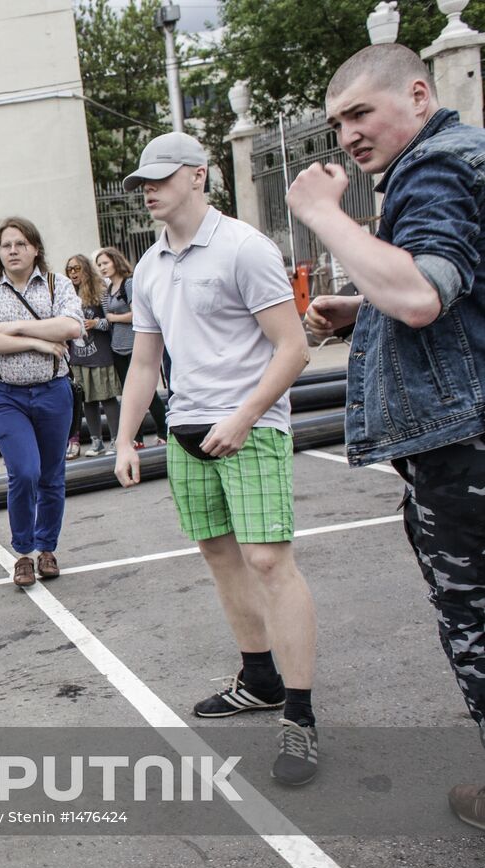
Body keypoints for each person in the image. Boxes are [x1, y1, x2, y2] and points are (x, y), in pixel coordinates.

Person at [288, 43, 485, 823]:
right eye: (337, 122)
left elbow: (421, 297)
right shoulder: (462, 157)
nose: (348, 136)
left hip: (462, 453)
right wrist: (360, 306)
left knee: (474, 625)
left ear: (417, 92)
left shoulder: (434, 168)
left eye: (361, 113)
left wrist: (321, 213)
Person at [115, 131, 321, 786]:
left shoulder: (242, 248)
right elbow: (146, 360)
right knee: (219, 553)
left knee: (268, 559)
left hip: (250, 427)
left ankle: (301, 714)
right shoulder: (148, 268)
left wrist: (244, 416)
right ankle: (257, 678)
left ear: (199, 176)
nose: (149, 190)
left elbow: (293, 347)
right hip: (186, 431)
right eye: (142, 183)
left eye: (161, 178)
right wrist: (125, 438)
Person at [0, 217, 83, 587]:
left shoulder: (56, 284)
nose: (13, 251)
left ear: (35, 249)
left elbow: (71, 327)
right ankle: (23, 552)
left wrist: (13, 328)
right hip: (5, 396)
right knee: (25, 472)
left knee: (52, 475)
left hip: (54, 391)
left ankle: (47, 547)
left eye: (20, 244)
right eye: (6, 245)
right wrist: (37, 341)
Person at [97, 246, 167, 446]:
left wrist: (113, 317)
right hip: (117, 346)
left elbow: (137, 315)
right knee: (128, 393)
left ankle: (163, 430)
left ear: (116, 261)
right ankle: (136, 437)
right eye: (99, 265)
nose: (102, 268)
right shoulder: (108, 289)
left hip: (134, 344)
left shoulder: (128, 284)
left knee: (147, 392)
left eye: (105, 263)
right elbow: (106, 319)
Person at [65, 254, 122, 457]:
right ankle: (96, 442)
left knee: (106, 398)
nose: (73, 273)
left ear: (86, 270)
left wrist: (95, 323)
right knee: (87, 400)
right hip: (79, 356)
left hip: (100, 354)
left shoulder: (100, 291)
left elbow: (111, 321)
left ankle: (116, 439)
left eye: (77, 268)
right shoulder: (68, 294)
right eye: (70, 269)